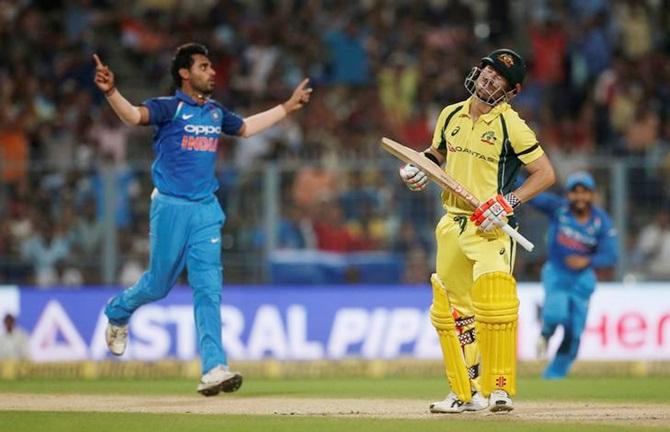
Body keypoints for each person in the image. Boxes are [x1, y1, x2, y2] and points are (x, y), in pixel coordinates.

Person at [93, 43, 312, 396]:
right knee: (157, 284)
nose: (212, 72)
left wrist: (286, 107)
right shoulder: (168, 108)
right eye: (204, 66)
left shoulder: (214, 112)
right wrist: (111, 92)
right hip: (169, 207)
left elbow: (244, 128)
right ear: (185, 73)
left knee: (208, 288)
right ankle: (117, 312)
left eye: (211, 67)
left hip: (205, 210)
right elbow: (133, 117)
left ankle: (213, 368)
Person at [399, 49, 555, 413]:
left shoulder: (510, 125)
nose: (488, 78)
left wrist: (508, 202)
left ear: (511, 91)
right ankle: (464, 391)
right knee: (455, 312)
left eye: (498, 77)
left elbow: (545, 174)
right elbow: (437, 155)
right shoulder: (450, 114)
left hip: (490, 227)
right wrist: (418, 169)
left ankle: (499, 388)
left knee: (493, 304)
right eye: (487, 70)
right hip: (451, 223)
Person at [531, 171, 618, 379]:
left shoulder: (601, 221)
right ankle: (546, 334)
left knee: (575, 332)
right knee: (555, 314)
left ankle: (553, 377)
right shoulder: (559, 209)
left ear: (592, 194)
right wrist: (511, 173)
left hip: (583, 279)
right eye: (574, 192)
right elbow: (533, 196)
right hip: (557, 273)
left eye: (584, 192)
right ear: (568, 194)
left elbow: (611, 255)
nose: (580, 197)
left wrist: (587, 261)